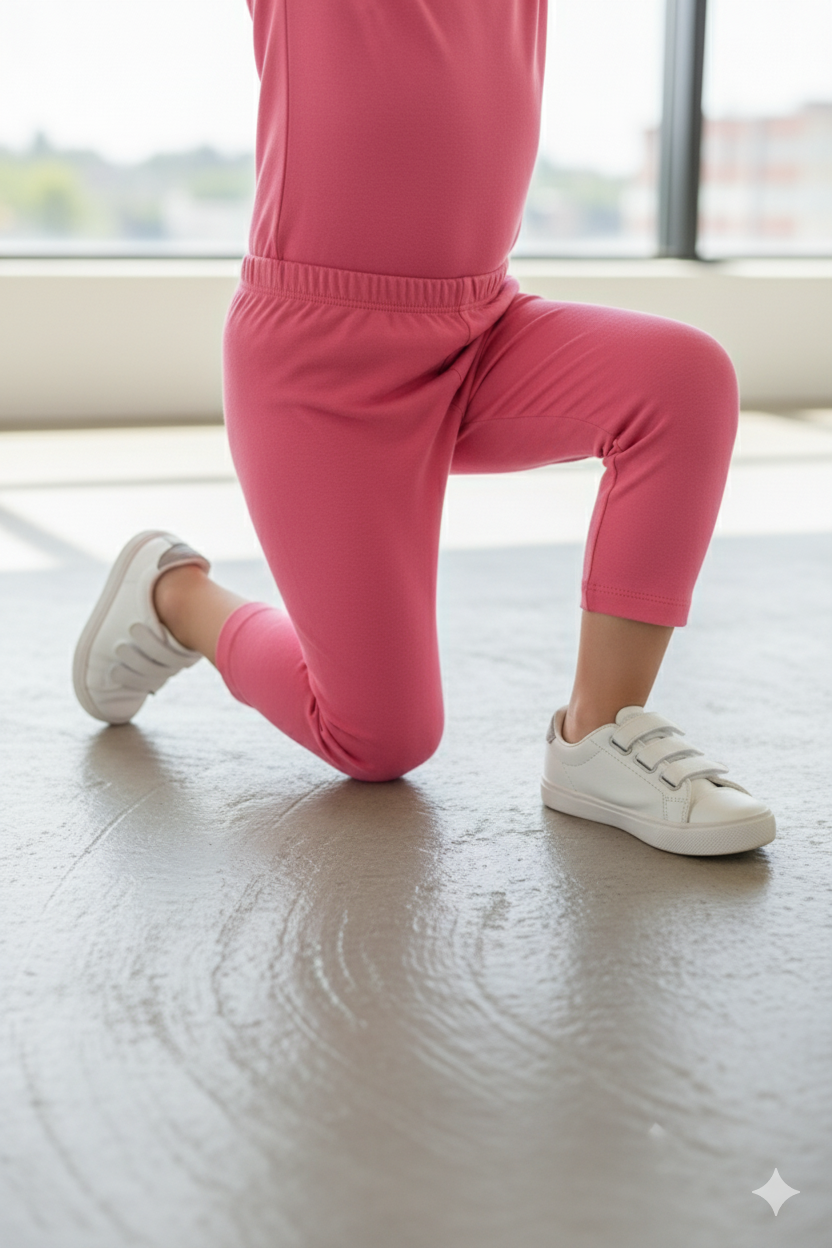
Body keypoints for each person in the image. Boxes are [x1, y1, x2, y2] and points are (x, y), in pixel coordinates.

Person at [72, 0, 775, 857]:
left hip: (483, 330)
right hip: (317, 365)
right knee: (381, 739)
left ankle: (600, 732)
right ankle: (175, 597)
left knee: (684, 381)